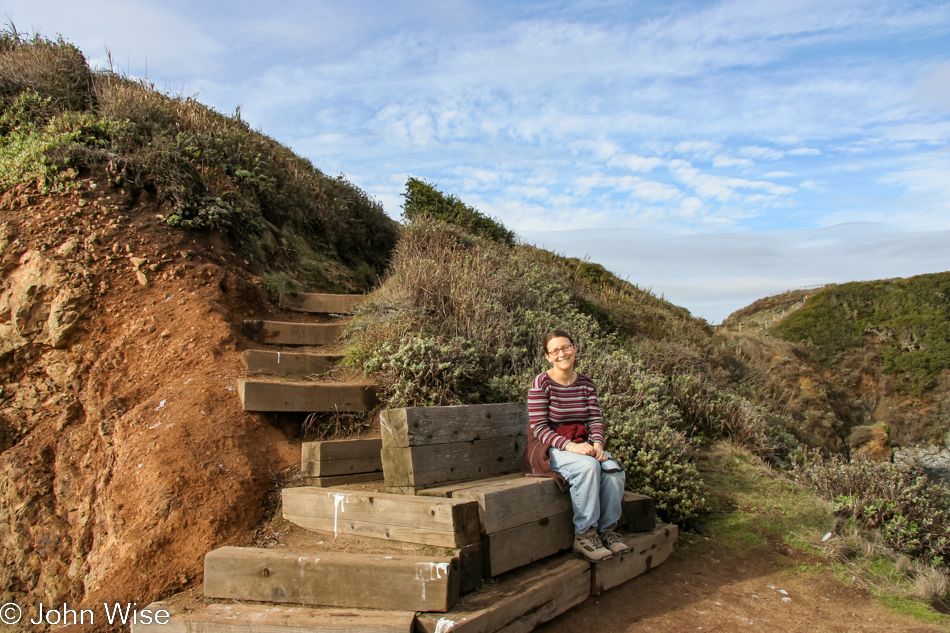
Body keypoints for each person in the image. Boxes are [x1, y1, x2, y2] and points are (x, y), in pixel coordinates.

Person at [521, 329, 629, 562]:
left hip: (582, 443)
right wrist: (570, 446)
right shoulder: (541, 383)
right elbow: (539, 427)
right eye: (555, 351)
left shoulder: (587, 383)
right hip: (548, 448)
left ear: (575, 348)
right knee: (588, 466)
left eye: (566, 347)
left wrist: (598, 444)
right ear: (548, 357)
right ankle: (585, 535)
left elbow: (595, 419)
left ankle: (607, 531)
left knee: (613, 470)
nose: (562, 354)